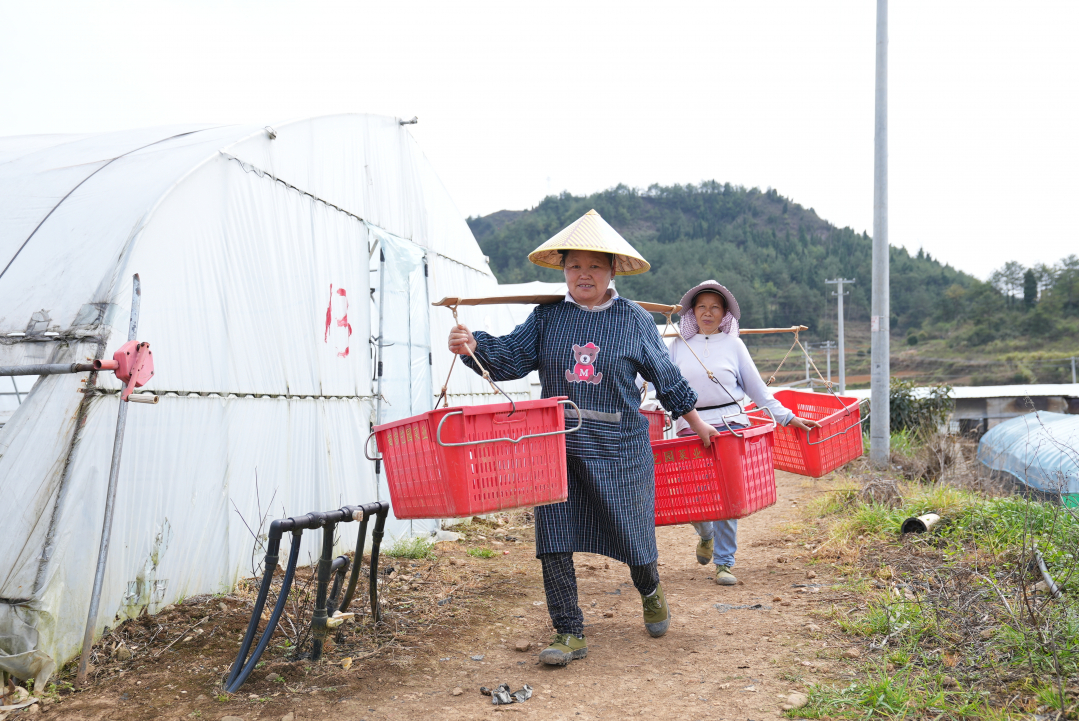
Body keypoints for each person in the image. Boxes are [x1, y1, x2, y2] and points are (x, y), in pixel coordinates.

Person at [447, 210, 720, 666]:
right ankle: (568, 630)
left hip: (620, 444)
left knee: (632, 532)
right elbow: (512, 357)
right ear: (564, 271)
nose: (583, 274)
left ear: (612, 271)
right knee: (554, 536)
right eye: (574, 266)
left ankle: (650, 588)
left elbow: (666, 375)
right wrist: (473, 345)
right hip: (560, 444)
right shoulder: (548, 317)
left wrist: (697, 422)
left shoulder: (633, 319)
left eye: (594, 266)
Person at [668, 281, 820, 586]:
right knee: (695, 495)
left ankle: (724, 562)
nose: (707, 312)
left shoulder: (734, 345)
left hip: (731, 425)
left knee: (726, 494)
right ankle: (705, 533)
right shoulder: (676, 346)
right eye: (701, 307)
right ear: (692, 313)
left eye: (714, 307)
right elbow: (666, 390)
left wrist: (788, 418)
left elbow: (758, 390)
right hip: (690, 424)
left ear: (724, 313)